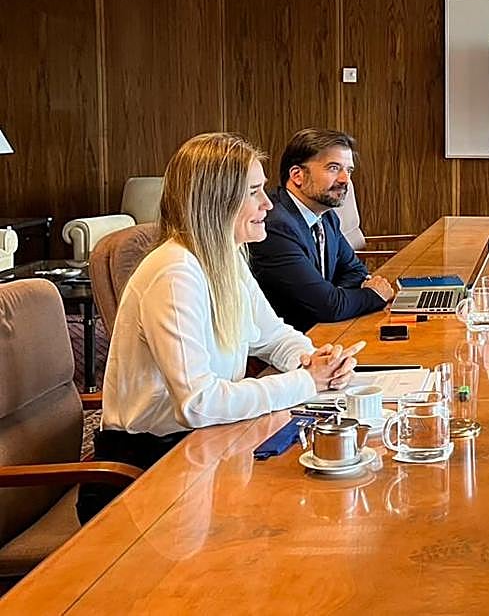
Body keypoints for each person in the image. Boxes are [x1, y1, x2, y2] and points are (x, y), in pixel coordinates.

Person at [80, 132, 360, 523]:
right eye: (254, 192)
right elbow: (199, 404)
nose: (267, 204)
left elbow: (272, 335)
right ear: (216, 202)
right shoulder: (175, 272)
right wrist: (306, 382)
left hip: (205, 450)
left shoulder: (225, 257)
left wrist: (312, 357)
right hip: (145, 475)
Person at [248, 129, 393, 332]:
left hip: (325, 331)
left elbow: (355, 271)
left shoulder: (326, 216)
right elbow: (329, 307)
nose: (345, 180)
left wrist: (334, 295)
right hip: (292, 345)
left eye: (349, 170)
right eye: (334, 168)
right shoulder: (274, 226)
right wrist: (374, 294)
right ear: (297, 175)